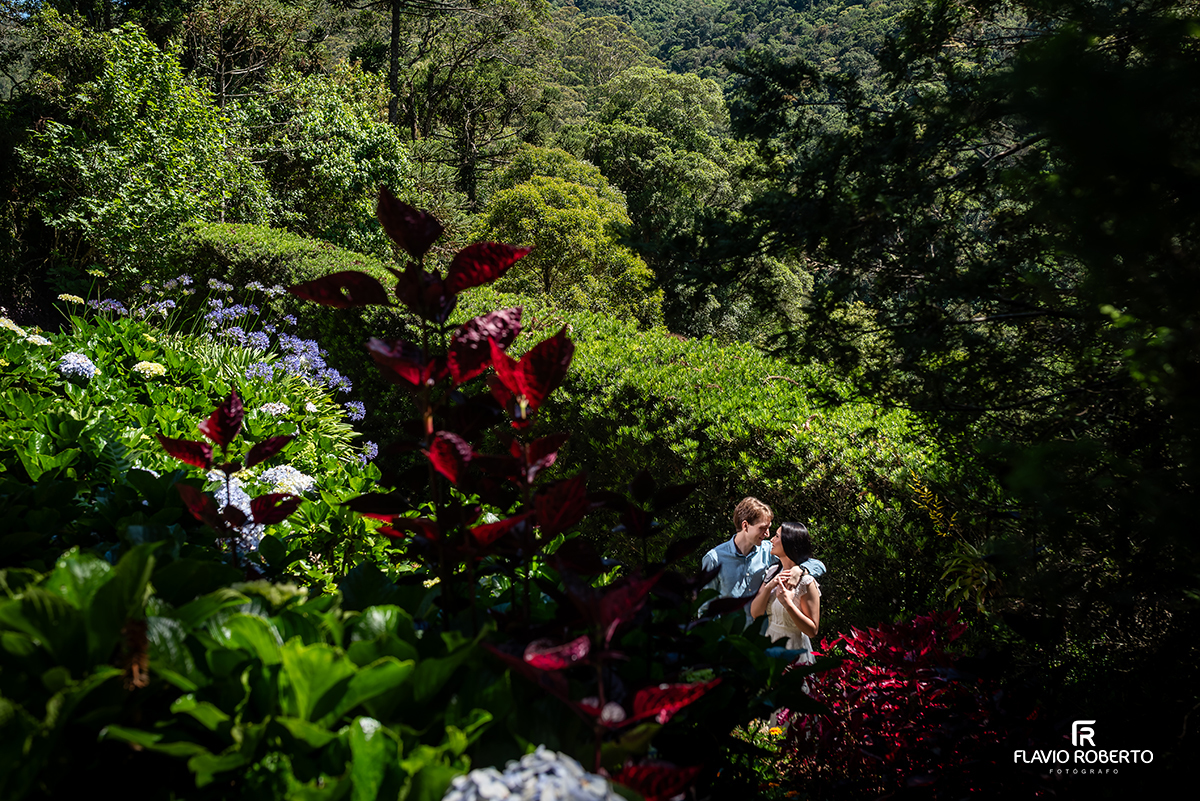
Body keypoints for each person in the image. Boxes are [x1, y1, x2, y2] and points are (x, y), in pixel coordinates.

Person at [700, 497, 825, 621]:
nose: (767, 534)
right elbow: (705, 609)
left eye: (769, 528)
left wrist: (799, 570)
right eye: (763, 528)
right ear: (745, 526)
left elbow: (818, 565)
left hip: (763, 636)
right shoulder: (714, 559)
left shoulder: (769, 551)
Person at [750, 522, 822, 665]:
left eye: (776, 536)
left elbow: (812, 631)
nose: (771, 540)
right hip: (771, 645)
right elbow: (755, 613)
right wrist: (770, 585)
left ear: (788, 543)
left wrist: (788, 604)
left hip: (795, 650)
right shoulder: (773, 572)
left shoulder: (806, 581)